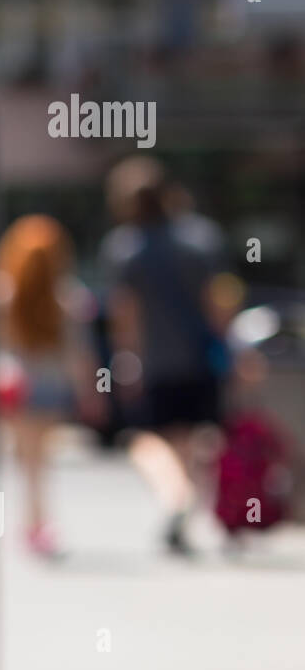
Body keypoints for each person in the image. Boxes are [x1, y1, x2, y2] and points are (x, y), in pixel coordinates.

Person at [100, 157, 227, 554]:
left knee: (144, 440)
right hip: (199, 358)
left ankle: (177, 497)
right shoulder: (200, 239)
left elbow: (126, 315)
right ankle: (184, 508)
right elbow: (218, 302)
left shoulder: (124, 249)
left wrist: (126, 361)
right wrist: (230, 348)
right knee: (189, 438)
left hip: (155, 361)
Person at [0, 215, 100, 558]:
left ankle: (33, 520)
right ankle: (39, 521)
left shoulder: (1, 292)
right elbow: (79, 352)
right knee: (41, 458)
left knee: (27, 457)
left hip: (16, 384)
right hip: (51, 385)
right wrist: (91, 391)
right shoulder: (68, 296)